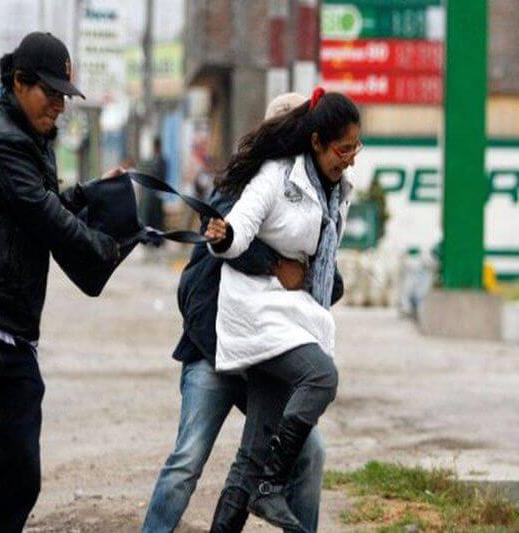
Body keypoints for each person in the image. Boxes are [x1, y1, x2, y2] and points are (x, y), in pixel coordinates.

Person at [0, 32, 123, 533]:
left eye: (63, 96)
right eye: (49, 93)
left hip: (13, 332)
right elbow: (46, 216)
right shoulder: (2, 141)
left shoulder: (33, 140)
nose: (57, 105)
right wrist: (108, 246)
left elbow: (48, 199)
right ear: (19, 82)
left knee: (22, 473)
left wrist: (102, 193)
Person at [142, 93, 344, 533]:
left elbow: (332, 279)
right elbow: (213, 260)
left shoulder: (313, 199)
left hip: (265, 350)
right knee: (187, 461)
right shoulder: (243, 190)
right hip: (213, 351)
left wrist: (311, 272)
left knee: (304, 455)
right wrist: (275, 265)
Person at [204, 89, 361, 530]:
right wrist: (224, 236)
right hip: (256, 312)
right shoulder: (277, 175)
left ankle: (258, 486)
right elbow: (241, 225)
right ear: (316, 143)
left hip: (291, 316)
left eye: (355, 148)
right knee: (322, 375)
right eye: (342, 149)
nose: (349, 158)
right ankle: (270, 487)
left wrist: (321, 279)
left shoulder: (337, 192)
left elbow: (321, 258)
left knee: (250, 456)